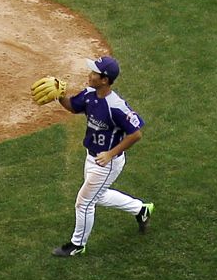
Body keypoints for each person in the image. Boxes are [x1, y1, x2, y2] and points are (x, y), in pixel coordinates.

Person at [47, 56, 155, 256]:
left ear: (104, 79)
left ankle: (77, 245)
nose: (90, 75)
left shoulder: (117, 106)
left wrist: (110, 154)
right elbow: (73, 106)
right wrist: (60, 96)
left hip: (108, 163)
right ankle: (141, 209)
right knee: (99, 195)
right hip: (92, 157)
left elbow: (136, 133)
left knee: (84, 202)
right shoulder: (89, 94)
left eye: (94, 73)